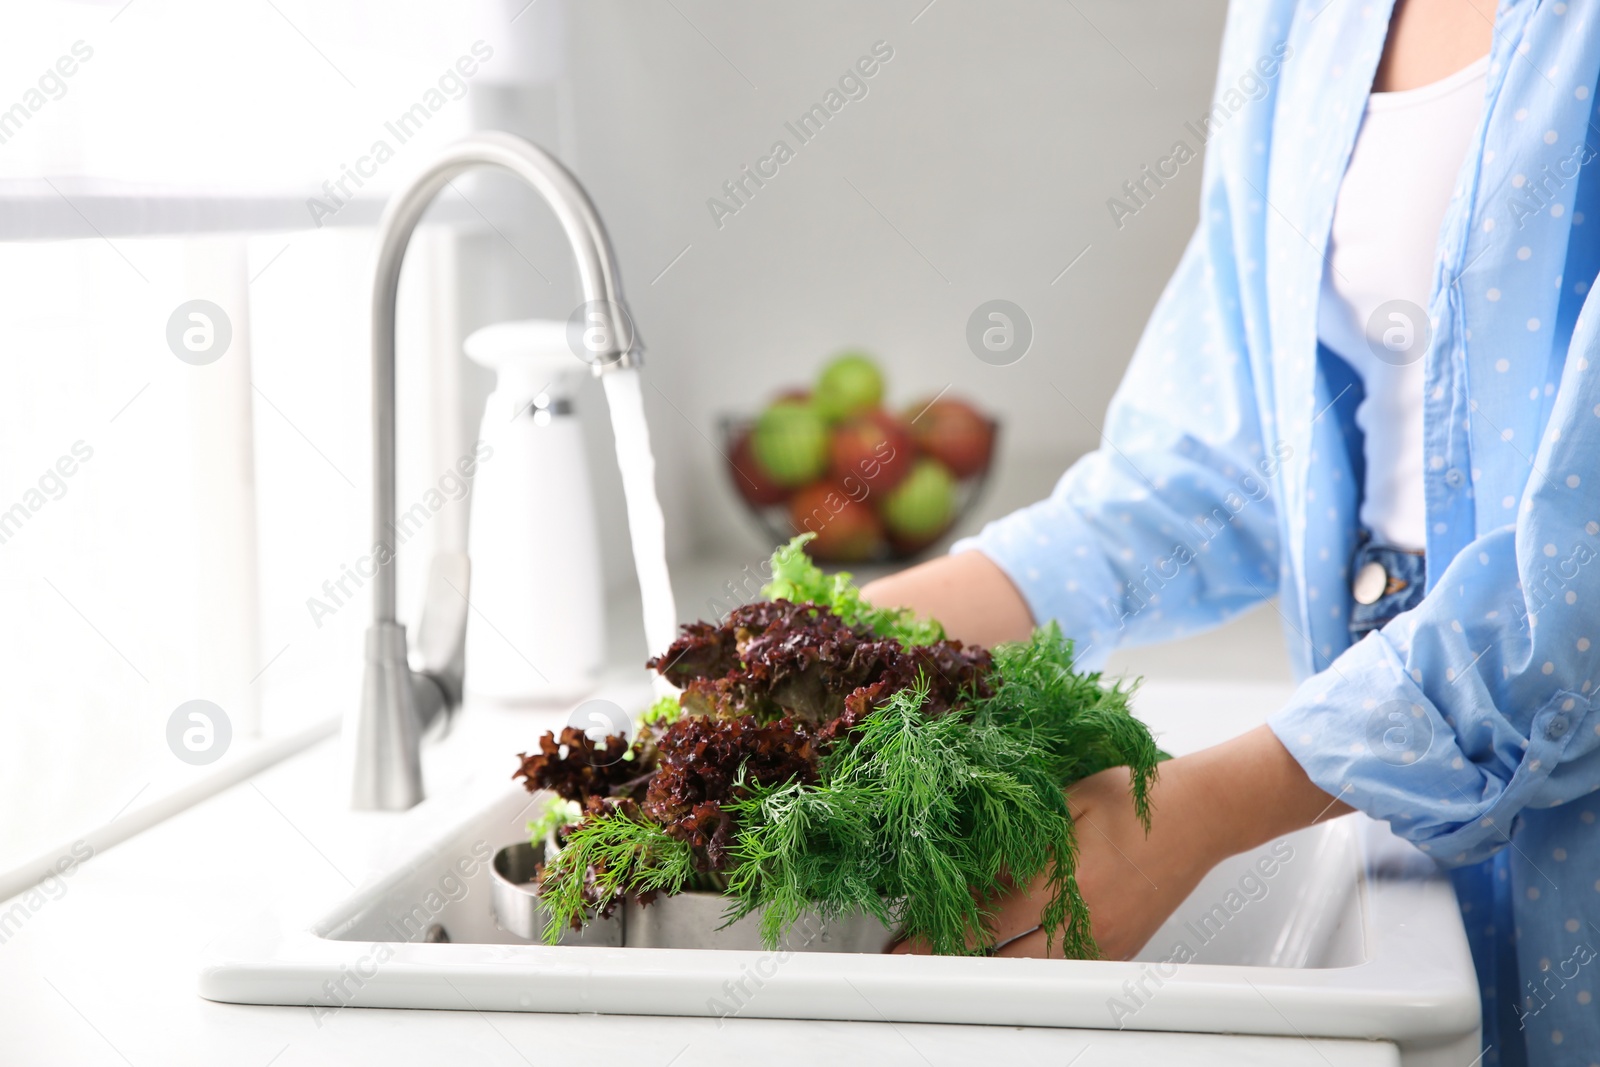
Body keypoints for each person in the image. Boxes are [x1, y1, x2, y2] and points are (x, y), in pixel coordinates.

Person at [863, 1, 1600, 1063]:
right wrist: (837, 637)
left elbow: (1578, 577)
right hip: (1378, 809)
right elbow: (1235, 458)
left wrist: (1188, 814)